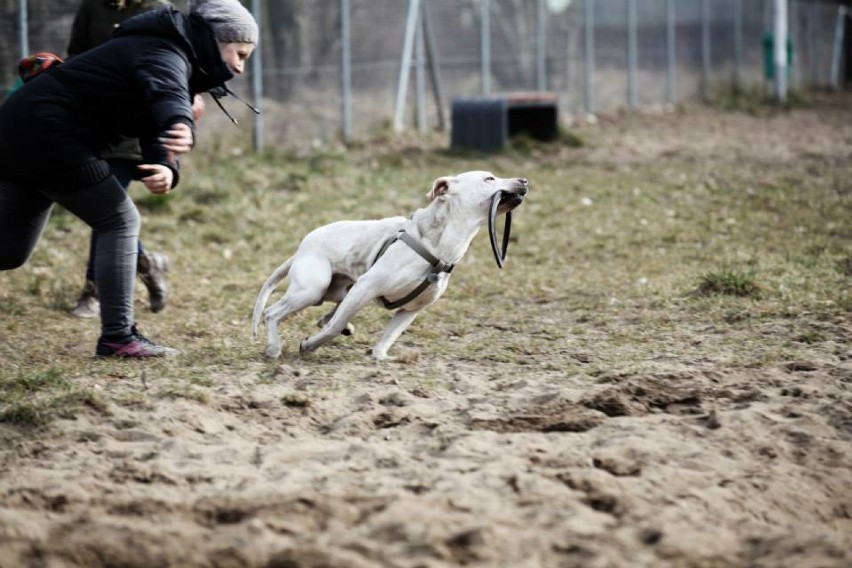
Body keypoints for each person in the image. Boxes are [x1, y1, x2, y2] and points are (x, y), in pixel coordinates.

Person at [0, 0, 258, 357]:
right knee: (119, 220)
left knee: (8, 251)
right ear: (216, 39)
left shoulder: (168, 51)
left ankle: (118, 337)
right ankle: (119, 338)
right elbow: (168, 96)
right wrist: (180, 123)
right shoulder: (164, 50)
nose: (240, 68)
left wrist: (167, 166)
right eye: (240, 54)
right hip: (49, 131)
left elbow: (153, 114)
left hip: (20, 127)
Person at [67, 0, 206, 318]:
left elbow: (178, 66)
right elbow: (77, 54)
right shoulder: (91, 7)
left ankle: (94, 292)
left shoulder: (159, 9)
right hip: (97, 125)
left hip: (144, 124)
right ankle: (146, 263)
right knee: (108, 212)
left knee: (108, 214)